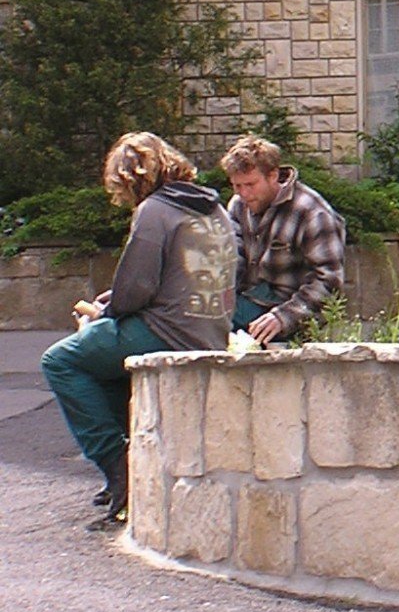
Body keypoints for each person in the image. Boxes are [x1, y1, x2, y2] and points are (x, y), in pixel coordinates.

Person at [40, 133, 236, 524]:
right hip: (209, 330)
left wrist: (102, 312)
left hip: (167, 331)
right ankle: (128, 469)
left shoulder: (155, 211)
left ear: (134, 178)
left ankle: (118, 465)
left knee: (61, 360)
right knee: (104, 367)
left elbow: (135, 292)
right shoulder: (213, 210)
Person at [221, 135, 345, 344]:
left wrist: (283, 317)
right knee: (198, 316)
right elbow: (233, 261)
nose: (244, 194)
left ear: (273, 176)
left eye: (250, 184)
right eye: (237, 186)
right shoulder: (237, 205)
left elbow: (329, 281)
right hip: (247, 300)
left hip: (293, 310)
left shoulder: (312, 213)